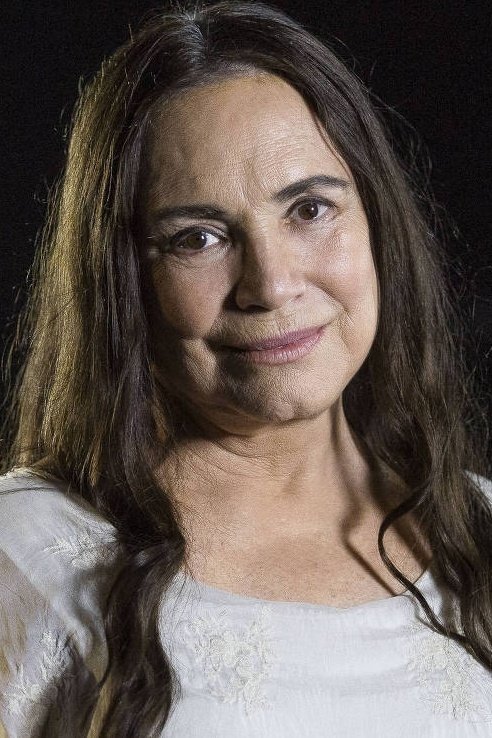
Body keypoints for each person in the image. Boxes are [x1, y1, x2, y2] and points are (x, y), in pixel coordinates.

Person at [0, 1, 491, 736]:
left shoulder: (480, 531)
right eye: (198, 238)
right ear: (122, 281)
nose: (271, 284)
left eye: (310, 209)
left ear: (376, 223)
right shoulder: (25, 554)